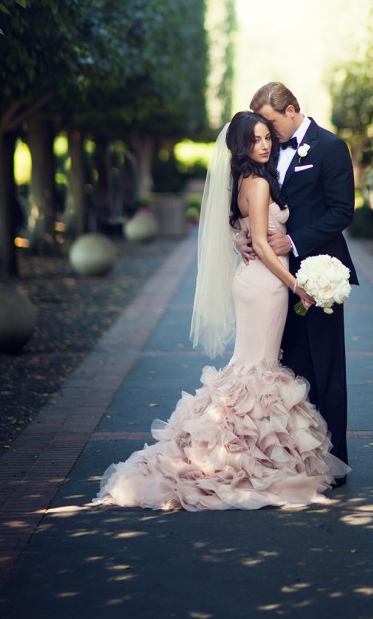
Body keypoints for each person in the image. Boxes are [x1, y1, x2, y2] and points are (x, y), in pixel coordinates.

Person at [93, 110, 348, 512]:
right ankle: (241, 457)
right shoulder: (260, 182)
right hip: (265, 281)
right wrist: (296, 284)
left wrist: (247, 246)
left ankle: (233, 448)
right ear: (243, 145)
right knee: (258, 368)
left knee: (251, 365)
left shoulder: (242, 179)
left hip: (252, 280)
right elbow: (264, 246)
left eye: (268, 138)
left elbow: (241, 231)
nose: (265, 145)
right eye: (257, 140)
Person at [242, 82, 358, 471]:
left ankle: (334, 459)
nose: (268, 132)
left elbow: (342, 212)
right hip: (276, 280)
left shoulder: (331, 147)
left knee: (326, 368)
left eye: (272, 122)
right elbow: (253, 210)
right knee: (288, 368)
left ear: (292, 110)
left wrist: (291, 241)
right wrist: (245, 240)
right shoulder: (266, 154)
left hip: (319, 275)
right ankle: (297, 458)